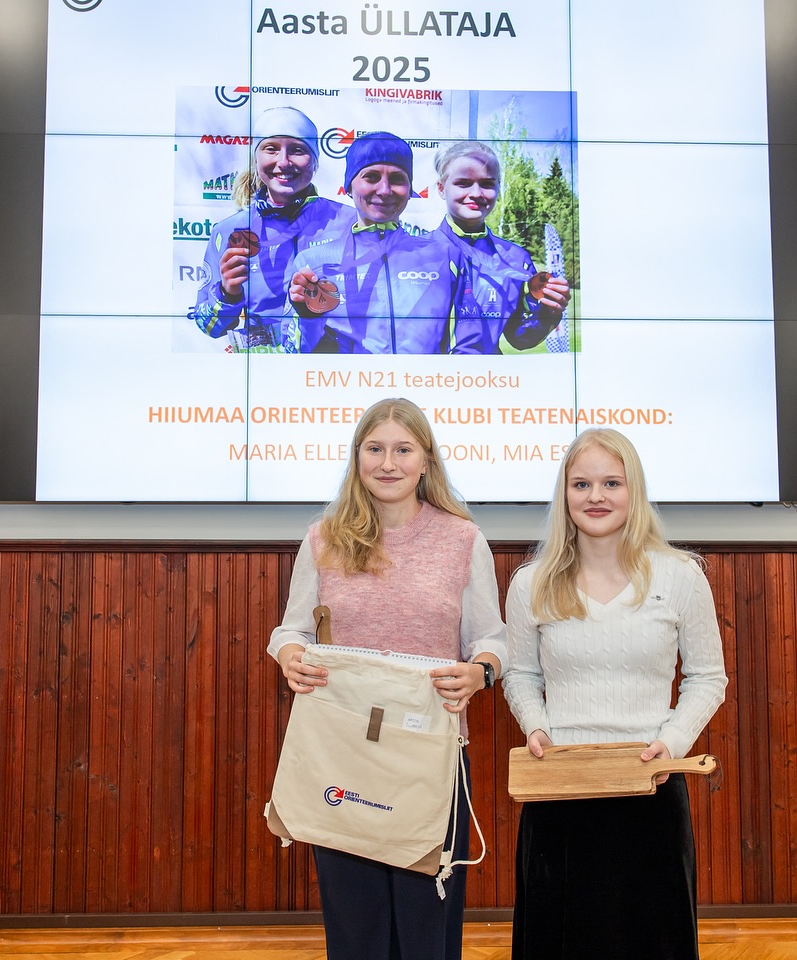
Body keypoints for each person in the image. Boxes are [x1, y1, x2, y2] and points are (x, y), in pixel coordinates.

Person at [268, 397, 506, 959]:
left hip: (429, 754)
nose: (388, 463)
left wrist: (480, 672)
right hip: (343, 753)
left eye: (403, 449)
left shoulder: (462, 540)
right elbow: (290, 629)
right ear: (357, 458)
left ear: (426, 459)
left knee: (427, 925)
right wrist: (290, 654)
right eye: (375, 449)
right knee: (355, 928)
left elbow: (493, 641)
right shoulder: (323, 538)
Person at [502, 428, 728, 960]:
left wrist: (671, 744)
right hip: (560, 789)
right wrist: (538, 729)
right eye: (581, 484)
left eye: (611, 483)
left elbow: (707, 677)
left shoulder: (680, 576)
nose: (596, 496)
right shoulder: (530, 583)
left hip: (649, 787)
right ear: (565, 495)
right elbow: (521, 676)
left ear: (635, 492)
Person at [285, 132, 488, 354]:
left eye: (397, 179)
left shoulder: (445, 254)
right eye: (371, 177)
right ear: (348, 188)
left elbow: (471, 344)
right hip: (347, 387)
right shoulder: (312, 263)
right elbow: (299, 355)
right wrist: (309, 319)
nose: (384, 190)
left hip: (422, 387)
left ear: (410, 190)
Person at [191, 106, 355, 349]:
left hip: (327, 374)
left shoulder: (350, 223)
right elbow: (209, 327)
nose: (284, 162)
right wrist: (228, 293)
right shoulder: (229, 231)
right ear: (256, 159)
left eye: (298, 150)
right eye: (271, 149)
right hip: (262, 374)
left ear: (315, 161)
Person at [432, 140, 570, 352]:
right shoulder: (414, 252)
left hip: (489, 380)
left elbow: (520, 338)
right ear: (441, 188)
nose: (476, 193)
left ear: (498, 187)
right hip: (427, 381)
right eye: (463, 183)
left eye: (487, 183)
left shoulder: (515, 258)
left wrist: (548, 311)